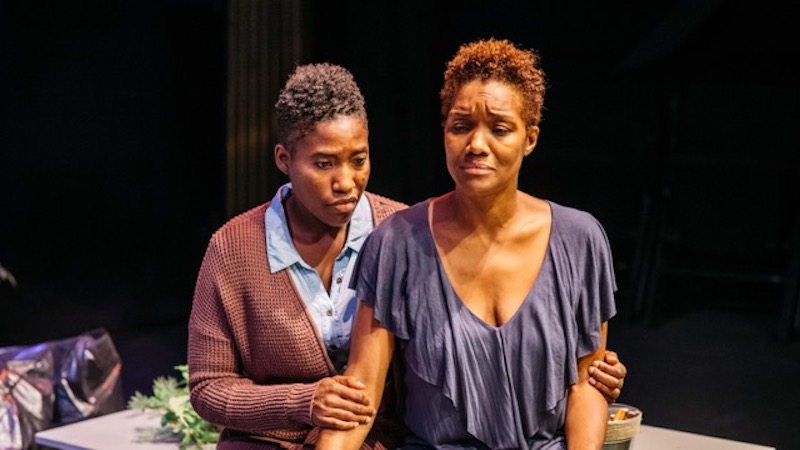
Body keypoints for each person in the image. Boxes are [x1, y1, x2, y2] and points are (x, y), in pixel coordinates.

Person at [188, 61, 626, 449]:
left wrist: (595, 381)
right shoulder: (238, 248)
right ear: (284, 159)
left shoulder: (395, 227)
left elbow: (585, 378)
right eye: (323, 164)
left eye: (358, 159)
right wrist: (305, 402)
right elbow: (209, 387)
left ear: (530, 138)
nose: (345, 182)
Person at [316, 38, 619, 450]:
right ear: (444, 132)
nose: (476, 145)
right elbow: (360, 399)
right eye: (461, 126)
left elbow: (587, 386)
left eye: (499, 129)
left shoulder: (580, 240)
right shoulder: (395, 245)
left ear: (529, 139)